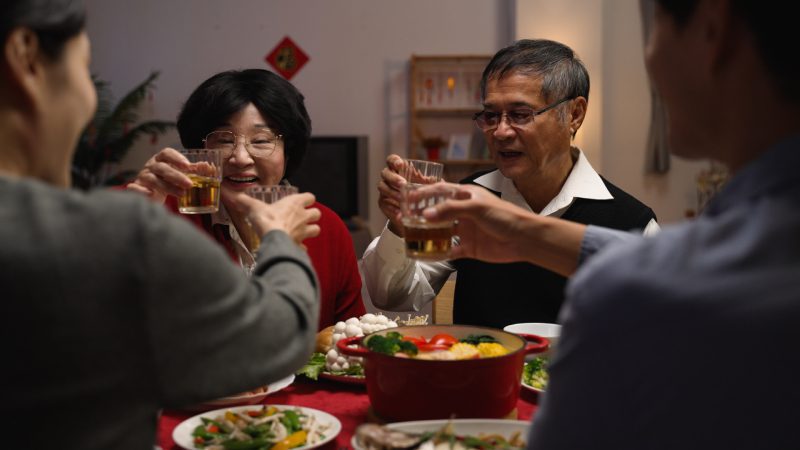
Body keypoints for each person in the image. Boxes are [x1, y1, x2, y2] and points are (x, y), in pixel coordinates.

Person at [419, 0, 800, 448]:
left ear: (713, 32)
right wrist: (527, 233)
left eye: (653, 31)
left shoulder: (626, 270)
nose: (501, 130)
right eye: (491, 115)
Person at [1, 1, 322, 448]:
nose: (241, 156)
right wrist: (281, 241)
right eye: (84, 67)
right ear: (26, 57)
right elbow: (272, 341)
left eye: (262, 140)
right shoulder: (128, 227)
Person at [362, 39, 658, 328]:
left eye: (520, 114)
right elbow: (393, 297)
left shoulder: (631, 222)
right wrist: (402, 229)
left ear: (574, 114)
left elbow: (660, 338)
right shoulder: (469, 201)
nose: (501, 131)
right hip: (479, 375)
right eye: (491, 115)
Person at [128, 69, 365, 330]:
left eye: (261, 140)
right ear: (200, 150)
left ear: (289, 153)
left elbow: (349, 342)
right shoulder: (159, 211)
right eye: (224, 140)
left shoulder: (325, 227)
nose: (240, 158)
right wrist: (135, 218)